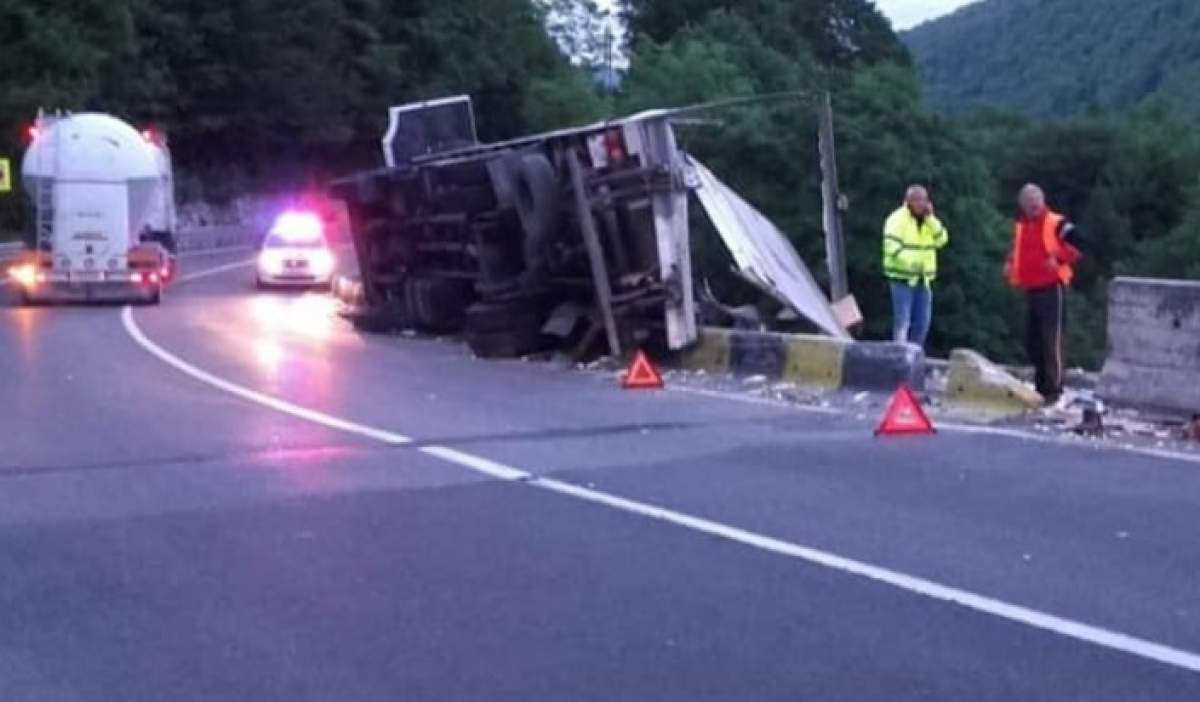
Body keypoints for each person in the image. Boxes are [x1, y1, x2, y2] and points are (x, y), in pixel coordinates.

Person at [1004, 184, 1083, 406]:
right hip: (1031, 287)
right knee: (1034, 341)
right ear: (1022, 205)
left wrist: (1058, 260)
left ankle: (1054, 390)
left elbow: (1078, 244)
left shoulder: (1056, 222)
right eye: (1028, 201)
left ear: (1043, 199)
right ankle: (1040, 388)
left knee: (1052, 340)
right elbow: (1017, 249)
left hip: (1052, 286)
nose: (1033, 204)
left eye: (1036, 199)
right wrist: (1010, 263)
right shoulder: (1022, 225)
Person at [882, 185, 950, 348]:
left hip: (923, 279)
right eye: (917, 200)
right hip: (902, 278)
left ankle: (914, 357)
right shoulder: (896, 219)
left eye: (924, 200)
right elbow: (891, 247)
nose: (921, 204)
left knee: (922, 323)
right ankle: (899, 358)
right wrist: (911, 263)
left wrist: (931, 219)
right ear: (908, 201)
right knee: (902, 322)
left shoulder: (928, 221)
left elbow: (942, 240)